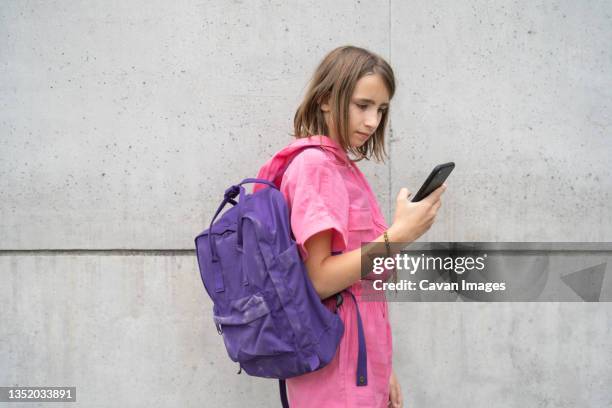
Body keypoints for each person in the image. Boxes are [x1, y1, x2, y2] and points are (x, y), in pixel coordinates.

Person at [255, 45, 446, 408]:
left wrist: (383, 365)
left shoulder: (341, 167)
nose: (373, 121)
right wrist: (399, 235)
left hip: (358, 361)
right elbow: (320, 279)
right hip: (337, 370)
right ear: (327, 99)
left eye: (381, 110)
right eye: (363, 105)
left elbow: (358, 285)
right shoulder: (316, 167)